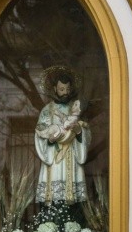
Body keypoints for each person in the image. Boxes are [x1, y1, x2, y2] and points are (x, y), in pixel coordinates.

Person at [34, 65, 91, 206]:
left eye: (67, 89)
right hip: (54, 159)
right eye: (61, 89)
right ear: (54, 89)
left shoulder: (76, 108)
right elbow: (39, 133)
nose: (65, 92)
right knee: (54, 198)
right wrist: (51, 140)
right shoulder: (47, 111)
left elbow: (86, 132)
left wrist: (79, 132)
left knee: (73, 201)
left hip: (72, 155)